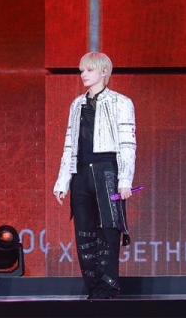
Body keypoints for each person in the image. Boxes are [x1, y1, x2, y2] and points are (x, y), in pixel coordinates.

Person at [54, 52, 137, 300]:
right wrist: (62, 181)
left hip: (106, 171)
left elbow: (127, 144)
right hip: (81, 173)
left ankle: (107, 287)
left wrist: (125, 180)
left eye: (89, 70)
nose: (84, 74)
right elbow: (69, 144)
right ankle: (93, 288)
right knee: (84, 232)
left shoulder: (121, 102)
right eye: (82, 70)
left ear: (103, 72)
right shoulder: (76, 104)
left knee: (109, 230)